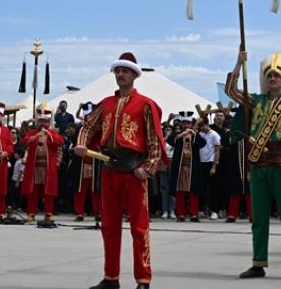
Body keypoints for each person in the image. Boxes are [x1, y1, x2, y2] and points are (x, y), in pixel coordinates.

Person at [74, 52, 165, 289]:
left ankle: (143, 280)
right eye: (118, 71)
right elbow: (87, 126)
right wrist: (82, 143)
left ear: (134, 74)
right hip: (109, 169)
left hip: (135, 172)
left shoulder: (146, 104)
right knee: (109, 227)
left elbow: (155, 139)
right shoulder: (106, 103)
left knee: (139, 228)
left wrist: (148, 168)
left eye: (125, 71)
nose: (120, 74)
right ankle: (111, 278)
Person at [225, 51, 281, 279]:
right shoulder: (256, 100)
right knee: (259, 217)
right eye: (270, 75)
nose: (273, 78)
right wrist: (238, 64)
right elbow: (231, 91)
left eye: (277, 76)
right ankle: (258, 262)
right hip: (259, 166)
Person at [22, 103, 64, 224]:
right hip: (35, 167)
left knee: (48, 192)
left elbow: (59, 141)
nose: (43, 124)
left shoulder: (53, 132)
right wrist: (36, 136)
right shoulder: (33, 132)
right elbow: (25, 141)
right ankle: (31, 213)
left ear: (49, 122)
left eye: (45, 121)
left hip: (48, 167)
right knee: (33, 191)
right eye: (41, 121)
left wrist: (49, 135)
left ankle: (48, 213)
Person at [169, 112, 206, 221]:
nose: (186, 125)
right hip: (180, 168)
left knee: (193, 191)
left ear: (191, 123)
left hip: (192, 168)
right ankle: (181, 214)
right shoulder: (177, 134)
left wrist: (194, 134)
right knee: (179, 191)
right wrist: (181, 135)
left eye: (188, 123)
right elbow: (170, 141)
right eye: (184, 122)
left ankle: (194, 214)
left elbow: (203, 143)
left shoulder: (195, 133)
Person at [72, 102, 102, 221]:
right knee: (80, 189)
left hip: (95, 161)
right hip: (82, 162)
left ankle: (98, 212)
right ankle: (80, 213)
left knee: (96, 189)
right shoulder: (80, 128)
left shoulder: (99, 130)